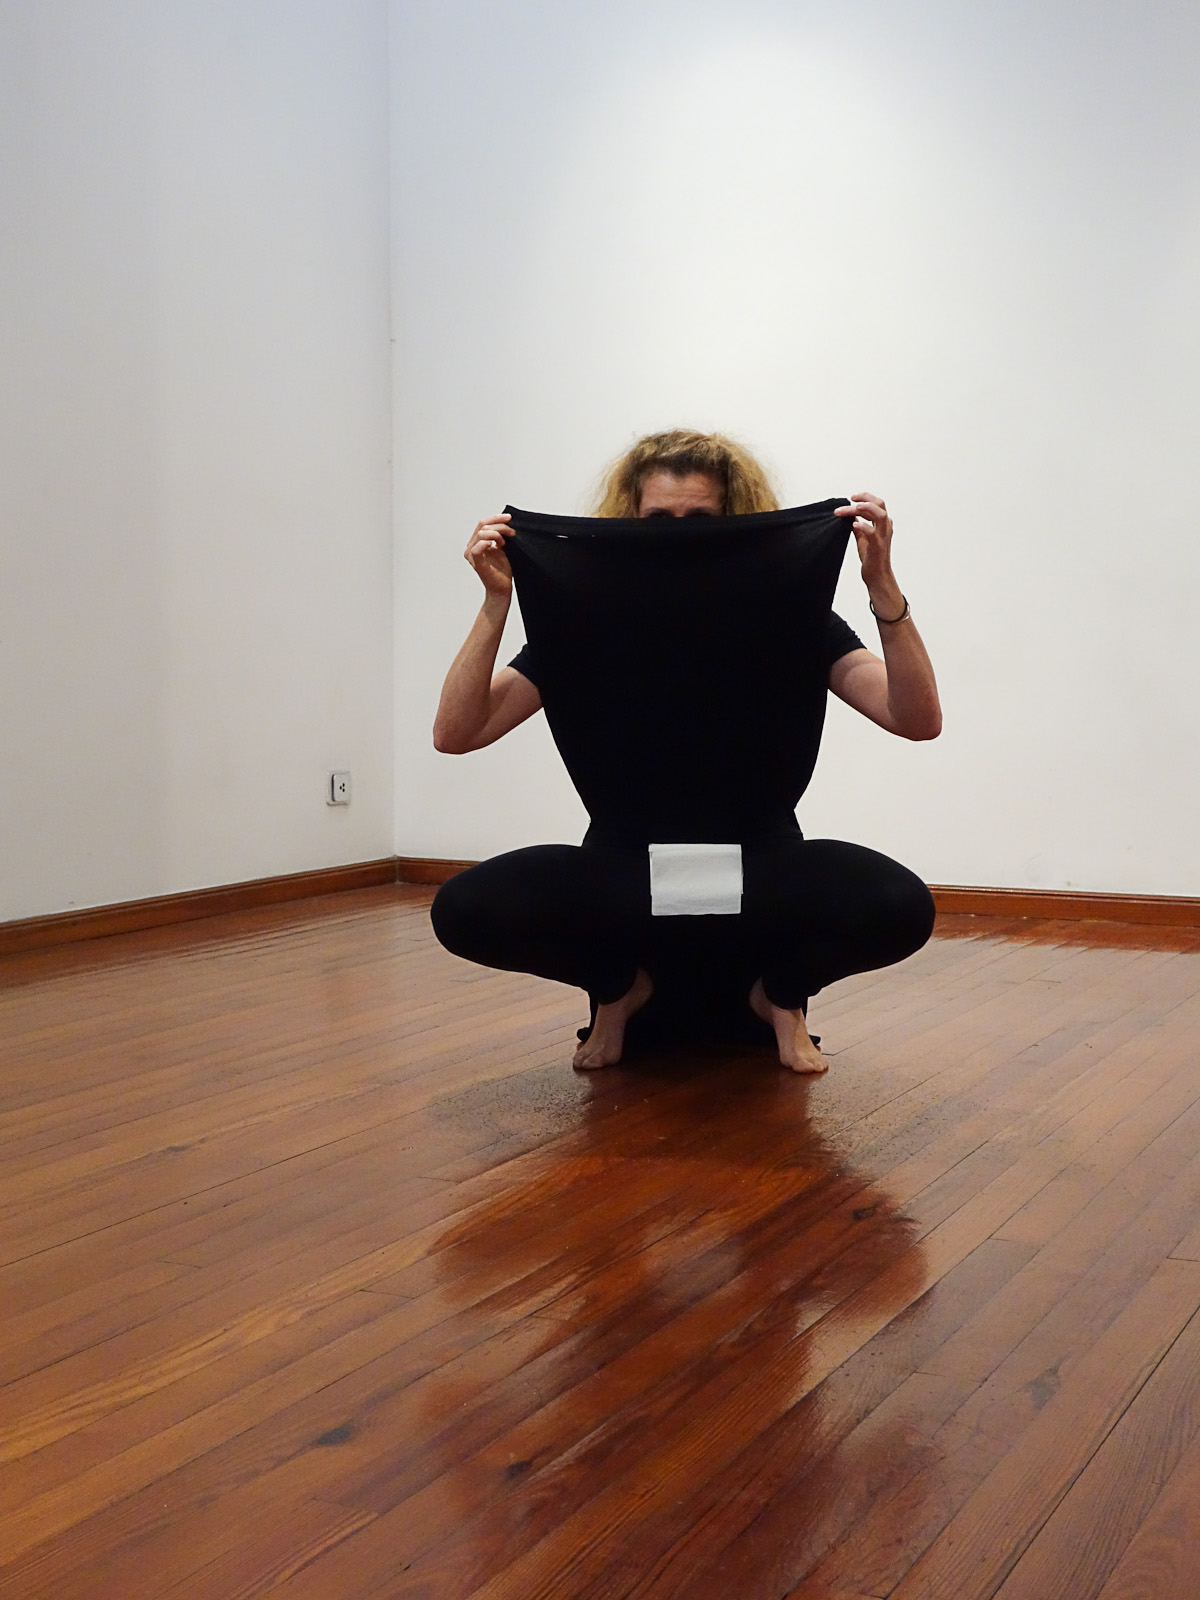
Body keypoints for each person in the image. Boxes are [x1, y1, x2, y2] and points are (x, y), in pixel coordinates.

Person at [431, 430, 941, 1074]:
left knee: (902, 906)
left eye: (699, 519)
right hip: (625, 873)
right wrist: (496, 604)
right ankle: (620, 989)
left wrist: (883, 587)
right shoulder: (587, 626)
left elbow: (915, 719)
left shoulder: (791, 621)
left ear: (734, 522)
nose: (678, 537)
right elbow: (456, 733)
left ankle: (779, 997)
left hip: (761, 869)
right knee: (463, 909)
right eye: (658, 520)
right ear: (630, 521)